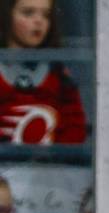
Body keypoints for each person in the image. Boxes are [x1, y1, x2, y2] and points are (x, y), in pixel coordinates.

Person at [0, 0, 86, 144]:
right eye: (28, 13)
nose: (39, 21)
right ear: (6, 16)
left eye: (46, 15)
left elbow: (75, 132)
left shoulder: (59, 74)